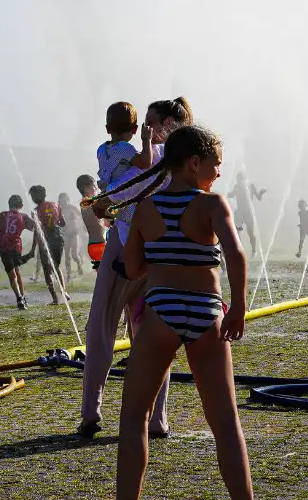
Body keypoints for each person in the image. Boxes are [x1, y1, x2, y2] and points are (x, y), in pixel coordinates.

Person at [112, 124, 252, 500]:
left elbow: (134, 268)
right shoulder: (211, 205)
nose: (218, 173)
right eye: (215, 164)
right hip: (208, 313)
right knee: (225, 422)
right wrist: (237, 308)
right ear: (194, 163)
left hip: (160, 312)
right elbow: (236, 254)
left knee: (133, 419)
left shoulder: (145, 208)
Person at [77, 96, 193, 439]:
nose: (147, 129)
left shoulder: (153, 157)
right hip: (161, 256)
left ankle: (91, 412)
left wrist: (100, 203)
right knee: (154, 336)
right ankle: (157, 418)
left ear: (167, 126)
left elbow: (117, 193)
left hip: (125, 248)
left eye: (152, 123)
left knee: (101, 327)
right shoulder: (185, 164)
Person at [0, 195, 36, 309]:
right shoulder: (23, 217)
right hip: (16, 247)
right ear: (21, 206)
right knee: (17, 270)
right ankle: (22, 297)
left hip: (3, 247)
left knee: (12, 273)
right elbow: (36, 229)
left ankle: (19, 298)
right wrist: (35, 219)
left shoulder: (2, 215)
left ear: (9, 204)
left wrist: (1, 241)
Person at [30, 185, 68, 303]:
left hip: (45, 241)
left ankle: (55, 299)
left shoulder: (35, 211)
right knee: (56, 267)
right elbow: (63, 223)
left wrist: (32, 249)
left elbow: (37, 231)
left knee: (47, 270)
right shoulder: (56, 205)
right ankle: (64, 292)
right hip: (58, 239)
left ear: (35, 197)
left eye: (32, 196)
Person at [228, 173, 266, 257]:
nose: (238, 181)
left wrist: (261, 193)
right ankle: (239, 249)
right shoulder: (236, 186)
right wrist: (225, 194)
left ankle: (254, 251)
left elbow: (258, 198)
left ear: (244, 179)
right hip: (240, 210)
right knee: (236, 230)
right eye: (237, 179)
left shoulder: (251, 186)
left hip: (249, 211)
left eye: (240, 179)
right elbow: (232, 194)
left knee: (251, 232)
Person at [77, 175, 108, 269]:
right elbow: (87, 203)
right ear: (85, 188)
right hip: (97, 245)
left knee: (106, 276)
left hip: (101, 244)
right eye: (93, 186)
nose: (95, 188)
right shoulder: (84, 202)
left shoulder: (93, 204)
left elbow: (105, 223)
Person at [59, 192, 85, 279]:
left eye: (65, 199)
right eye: (61, 200)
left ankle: (79, 265)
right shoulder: (58, 209)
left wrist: (81, 224)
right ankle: (68, 273)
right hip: (65, 234)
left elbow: (81, 216)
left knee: (74, 255)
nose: (63, 202)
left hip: (74, 233)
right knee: (66, 255)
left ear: (67, 199)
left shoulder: (72, 208)